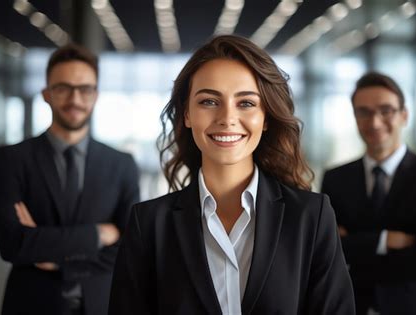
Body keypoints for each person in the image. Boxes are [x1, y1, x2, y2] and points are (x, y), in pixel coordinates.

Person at [108, 35, 355, 315]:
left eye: (246, 103)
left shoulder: (311, 217)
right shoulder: (149, 225)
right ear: (187, 114)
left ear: (266, 117)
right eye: (209, 101)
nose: (227, 118)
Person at [0, 43, 140, 315]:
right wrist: (98, 234)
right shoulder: (11, 159)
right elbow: (13, 245)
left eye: (85, 89)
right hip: (30, 304)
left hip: (102, 304)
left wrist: (54, 257)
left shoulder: (122, 164)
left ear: (96, 95)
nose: (75, 99)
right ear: (46, 94)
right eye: (63, 88)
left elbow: (128, 249)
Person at [321, 72, 416, 315]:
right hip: (351, 307)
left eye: (386, 110)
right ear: (355, 117)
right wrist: (384, 240)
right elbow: (327, 251)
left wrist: (353, 245)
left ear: (404, 115)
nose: (374, 122)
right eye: (364, 112)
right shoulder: (335, 179)